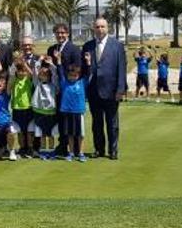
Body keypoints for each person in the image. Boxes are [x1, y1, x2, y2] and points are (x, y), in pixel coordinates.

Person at [81, 18, 126, 159]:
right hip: (94, 91)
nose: (100, 29)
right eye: (97, 27)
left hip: (112, 91)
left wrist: (120, 89)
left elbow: (122, 68)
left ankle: (113, 151)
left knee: (112, 123)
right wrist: (88, 64)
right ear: (93, 29)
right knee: (97, 124)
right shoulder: (87, 46)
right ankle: (99, 149)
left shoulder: (117, 46)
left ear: (107, 28)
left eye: (102, 26)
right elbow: (84, 70)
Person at [47, 23, 81, 155]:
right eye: (57, 33)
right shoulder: (52, 49)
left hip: (70, 89)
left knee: (72, 118)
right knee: (60, 118)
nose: (60, 35)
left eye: (62, 33)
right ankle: (63, 144)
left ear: (67, 34)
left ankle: (76, 147)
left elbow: (78, 68)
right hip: (56, 90)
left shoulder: (74, 49)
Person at [56, 49, 91, 162]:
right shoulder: (64, 82)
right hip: (67, 112)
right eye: (71, 75)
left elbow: (88, 73)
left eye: (75, 75)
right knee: (70, 134)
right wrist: (59, 60)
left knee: (80, 134)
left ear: (78, 75)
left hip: (78, 112)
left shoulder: (82, 83)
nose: (72, 77)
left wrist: (88, 62)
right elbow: (60, 71)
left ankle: (80, 153)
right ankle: (71, 153)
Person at [31, 55, 59, 159]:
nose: (44, 76)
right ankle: (43, 151)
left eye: (46, 74)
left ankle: (51, 151)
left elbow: (56, 75)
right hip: (39, 112)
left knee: (51, 133)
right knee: (42, 134)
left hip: (51, 112)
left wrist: (51, 64)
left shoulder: (54, 85)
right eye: (42, 74)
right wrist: (39, 61)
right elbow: (34, 72)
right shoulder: (37, 83)